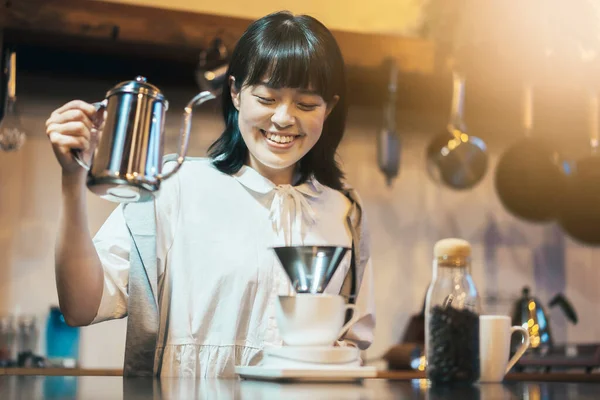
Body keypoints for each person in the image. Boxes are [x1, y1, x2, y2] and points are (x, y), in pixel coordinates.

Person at [45, 10, 375, 378]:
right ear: (235, 93)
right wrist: (71, 178)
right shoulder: (175, 187)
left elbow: (352, 348)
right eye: (266, 98)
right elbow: (80, 306)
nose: (283, 118)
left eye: (306, 104)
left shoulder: (345, 213)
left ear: (328, 108)